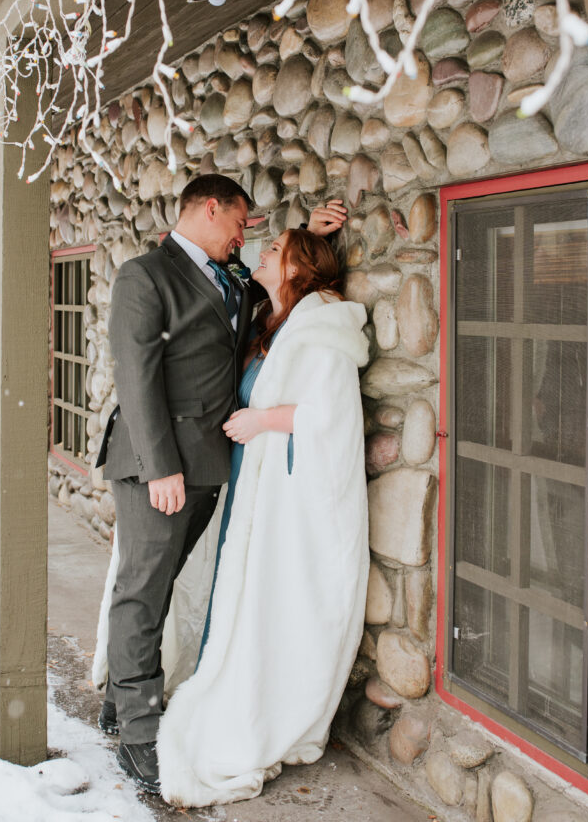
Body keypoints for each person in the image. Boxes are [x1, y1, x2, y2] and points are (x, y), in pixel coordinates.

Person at [94, 173, 346, 793]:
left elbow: (271, 294)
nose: (245, 234)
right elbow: (137, 377)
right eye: (240, 222)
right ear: (212, 209)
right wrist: (161, 469)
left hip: (208, 468)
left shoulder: (228, 277)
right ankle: (136, 731)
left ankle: (116, 703)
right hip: (158, 467)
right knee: (142, 589)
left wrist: (306, 242)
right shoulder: (143, 276)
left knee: (163, 584)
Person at [156, 228, 369, 807]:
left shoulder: (321, 328)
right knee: (233, 591)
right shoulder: (270, 321)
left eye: (275, 250)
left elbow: (330, 414)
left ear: (300, 270)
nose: (261, 254)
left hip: (284, 500)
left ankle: (257, 703)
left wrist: (263, 421)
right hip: (251, 485)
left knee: (267, 599)